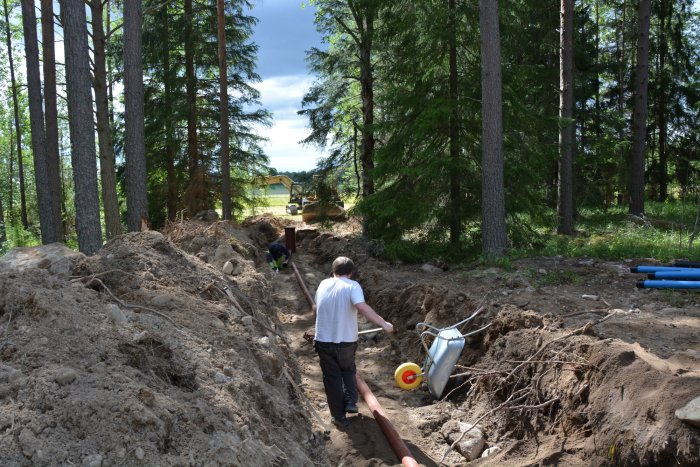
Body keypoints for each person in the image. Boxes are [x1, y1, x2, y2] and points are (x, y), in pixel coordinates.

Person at [313, 256, 394, 429]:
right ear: (350, 273)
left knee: (332, 378)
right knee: (348, 370)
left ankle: (339, 417)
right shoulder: (352, 286)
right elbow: (362, 307)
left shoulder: (322, 284)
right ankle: (350, 400)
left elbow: (317, 307)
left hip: (323, 341)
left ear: (333, 271)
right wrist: (384, 324)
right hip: (346, 342)